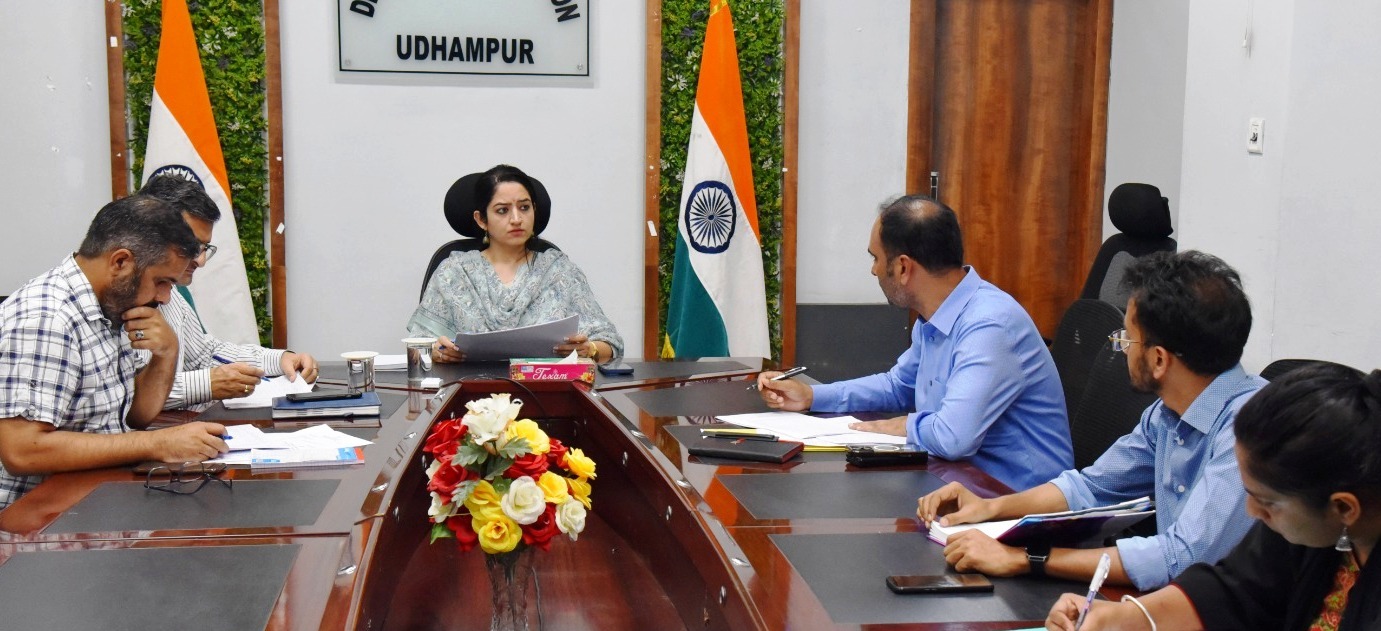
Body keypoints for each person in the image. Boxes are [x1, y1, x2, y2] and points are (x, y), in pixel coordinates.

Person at [917, 250, 1262, 591]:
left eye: (1127, 338)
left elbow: (1180, 558)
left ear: (1159, 360)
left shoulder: (1250, 430)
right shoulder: (1167, 413)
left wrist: (1024, 559)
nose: (1123, 349)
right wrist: (990, 508)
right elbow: (1092, 488)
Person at [757, 195, 1071, 491]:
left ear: (904, 267)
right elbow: (898, 386)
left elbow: (953, 437)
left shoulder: (989, 325)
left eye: (876, 258)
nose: (874, 270)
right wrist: (811, 396)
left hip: (1015, 503)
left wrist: (904, 425)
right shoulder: (935, 315)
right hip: (956, 484)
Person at [1046, 363, 1381, 630]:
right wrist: (1126, 617)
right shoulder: (1308, 520)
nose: (1251, 510)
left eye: (1267, 503)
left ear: (1343, 508)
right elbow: (1233, 591)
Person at [0, 195, 229, 509]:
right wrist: (158, 443)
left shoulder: (112, 305)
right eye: (161, 281)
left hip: (95, 498)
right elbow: (22, 451)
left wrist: (166, 354)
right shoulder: (48, 319)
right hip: (35, 518)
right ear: (121, 262)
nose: (165, 297)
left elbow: (135, 417)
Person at [407, 164, 623, 363]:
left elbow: (611, 344)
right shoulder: (453, 273)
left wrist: (589, 349)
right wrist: (436, 352)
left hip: (546, 387)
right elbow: (416, 348)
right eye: (503, 210)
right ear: (481, 219)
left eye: (524, 207)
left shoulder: (560, 271)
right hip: (468, 388)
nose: (517, 219)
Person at [135, 175, 318, 408]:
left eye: (204, 248)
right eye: (191, 246)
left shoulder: (173, 296)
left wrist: (280, 359)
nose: (201, 261)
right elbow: (124, 395)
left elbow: (205, 355)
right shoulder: (112, 300)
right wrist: (207, 384)